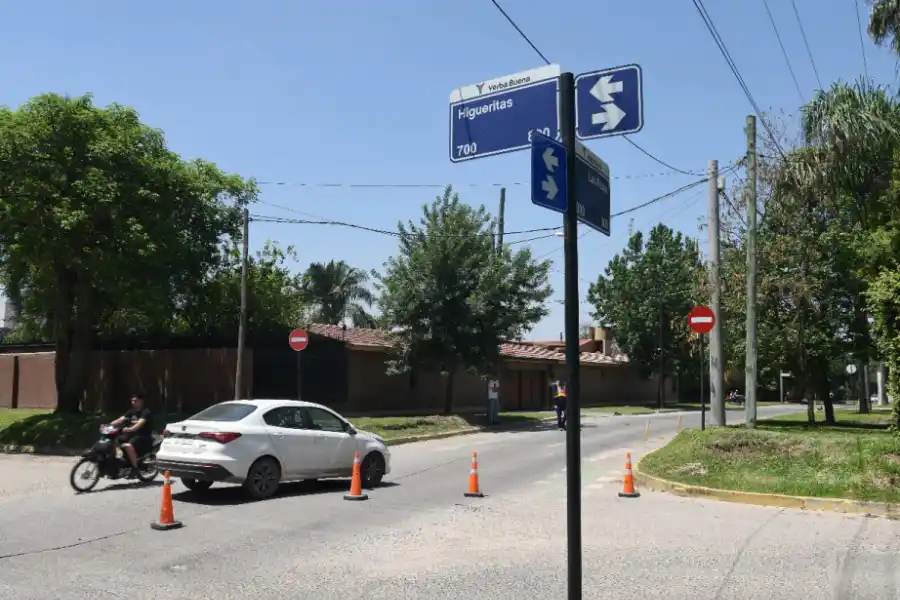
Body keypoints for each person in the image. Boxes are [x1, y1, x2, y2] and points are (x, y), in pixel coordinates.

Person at [110, 393, 153, 475]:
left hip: (142, 436)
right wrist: (108, 425)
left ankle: (135, 468)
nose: (133, 402)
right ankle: (116, 461)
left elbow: (140, 423)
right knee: (114, 440)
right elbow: (120, 419)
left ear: (141, 401)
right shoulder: (131, 411)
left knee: (127, 445)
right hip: (131, 435)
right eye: (132, 401)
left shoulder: (146, 412)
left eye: (135, 401)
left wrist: (130, 429)